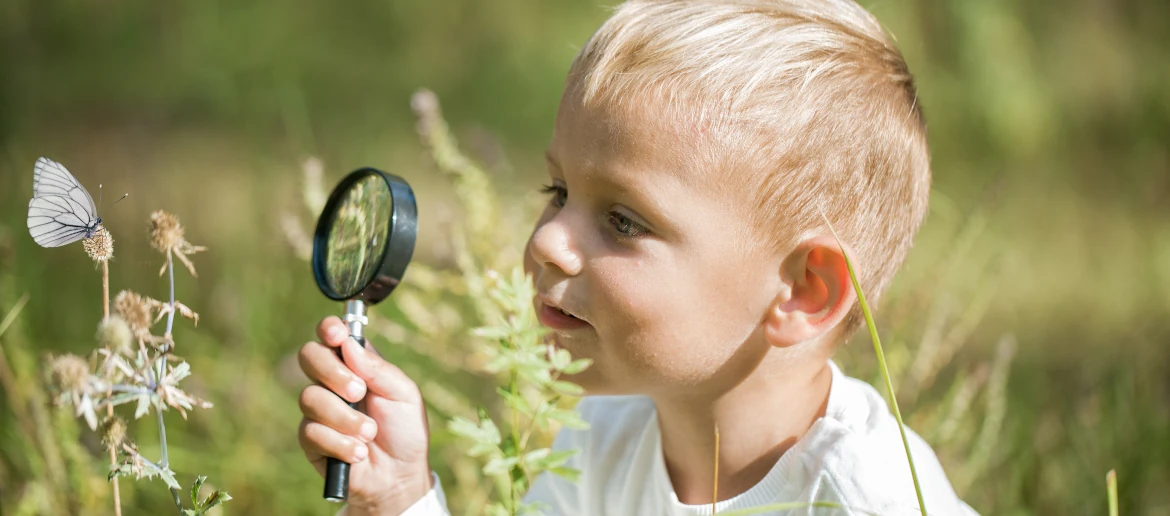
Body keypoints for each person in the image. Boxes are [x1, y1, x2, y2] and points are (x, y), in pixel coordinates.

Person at [297, 0, 979, 514]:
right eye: (557, 191)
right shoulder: (598, 439)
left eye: (623, 221)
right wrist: (403, 496)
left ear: (803, 292)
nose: (547, 240)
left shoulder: (865, 496)